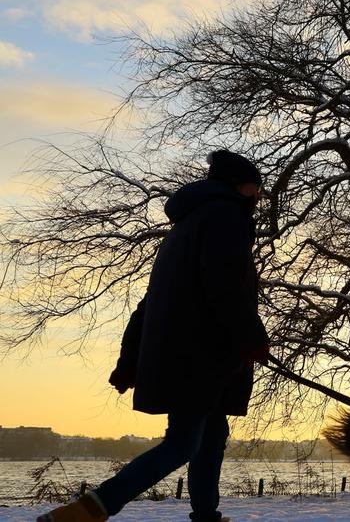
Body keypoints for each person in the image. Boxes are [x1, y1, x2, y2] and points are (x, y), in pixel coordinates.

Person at [40, 151, 271, 522]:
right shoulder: (225, 217)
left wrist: (129, 362)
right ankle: (89, 510)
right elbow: (225, 288)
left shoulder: (186, 226)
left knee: (211, 436)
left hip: (190, 354)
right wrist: (251, 337)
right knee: (183, 444)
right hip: (200, 356)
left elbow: (150, 304)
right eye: (255, 188)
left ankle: (206, 516)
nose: (258, 196)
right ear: (237, 186)